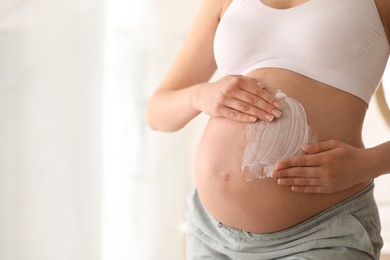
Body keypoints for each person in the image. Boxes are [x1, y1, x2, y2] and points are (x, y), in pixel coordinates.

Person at [146, 0, 390, 259]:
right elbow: (157, 113)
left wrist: (366, 165)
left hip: (321, 234)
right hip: (211, 235)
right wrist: (199, 96)